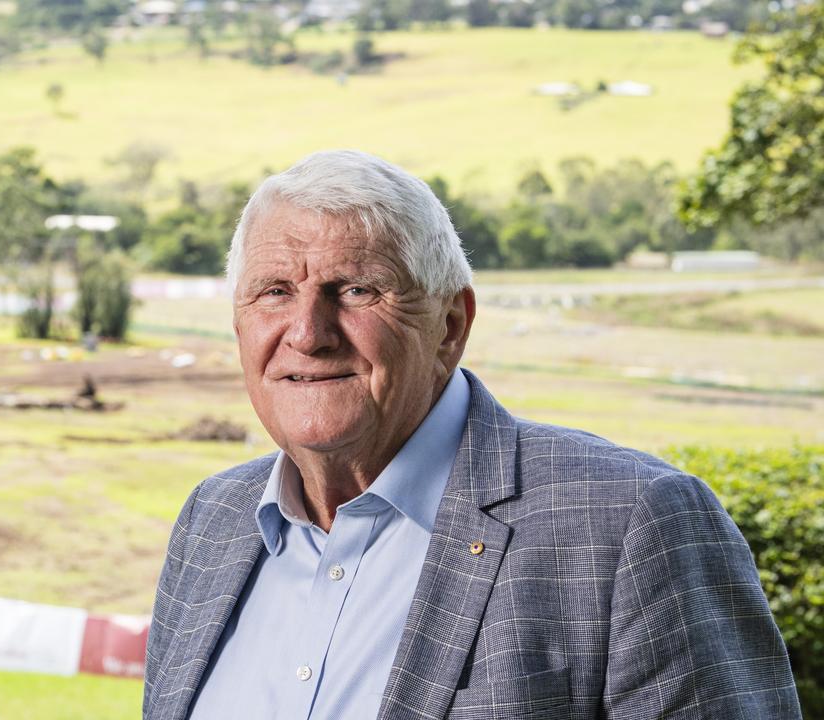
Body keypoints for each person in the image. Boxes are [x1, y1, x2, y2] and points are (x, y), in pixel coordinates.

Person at [142, 150, 800, 720]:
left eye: (357, 290)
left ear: (451, 324)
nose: (309, 334)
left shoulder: (632, 523)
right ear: (238, 325)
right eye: (274, 292)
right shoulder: (213, 519)